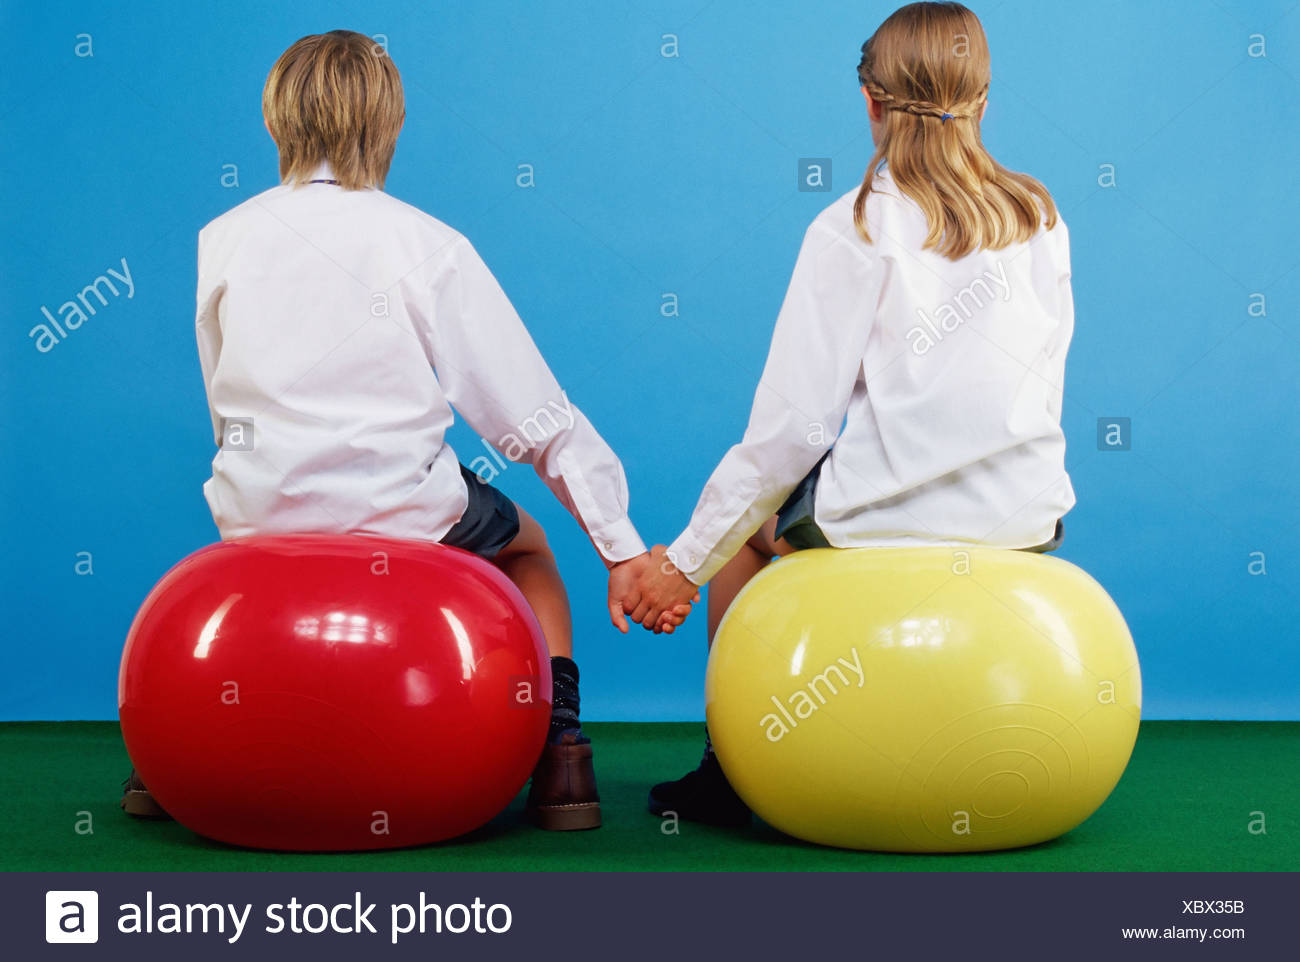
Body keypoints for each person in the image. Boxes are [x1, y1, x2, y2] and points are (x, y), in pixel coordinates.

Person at [120, 29, 689, 831]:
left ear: (276, 123)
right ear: (390, 127)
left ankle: (166, 757)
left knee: (242, 529)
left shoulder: (223, 237)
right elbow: (533, 419)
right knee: (530, 550)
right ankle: (563, 754)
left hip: (258, 513)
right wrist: (622, 547)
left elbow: (225, 401)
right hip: (407, 517)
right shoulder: (427, 243)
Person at [620, 1, 1076, 826]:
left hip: (882, 520)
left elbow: (792, 435)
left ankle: (728, 770)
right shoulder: (1039, 219)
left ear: (868, 102)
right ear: (983, 101)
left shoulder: (852, 227)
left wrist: (680, 566)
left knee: (741, 544)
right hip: (1023, 520)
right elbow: (1045, 381)